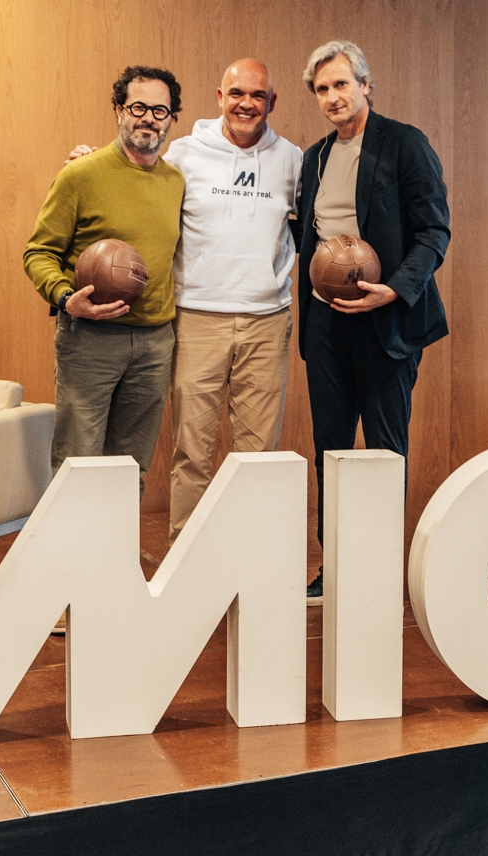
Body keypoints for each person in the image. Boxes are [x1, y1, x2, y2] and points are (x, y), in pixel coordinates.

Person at [69, 60, 302, 542]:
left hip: (266, 320)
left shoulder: (292, 160)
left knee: (258, 455)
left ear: (272, 102)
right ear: (219, 96)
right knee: (192, 452)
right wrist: (91, 161)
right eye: (236, 93)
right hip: (197, 319)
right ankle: (186, 560)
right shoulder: (184, 154)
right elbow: (137, 171)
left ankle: (249, 559)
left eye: (257, 96)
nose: (246, 104)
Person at [297, 40, 450, 603]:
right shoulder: (314, 157)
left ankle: (381, 572)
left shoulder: (405, 143)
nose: (332, 97)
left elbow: (435, 231)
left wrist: (395, 289)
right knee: (330, 446)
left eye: (342, 84)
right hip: (326, 323)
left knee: (385, 449)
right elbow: (306, 232)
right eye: (322, 89)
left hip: (387, 321)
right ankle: (333, 568)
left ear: (365, 84)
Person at [23, 66, 185, 496]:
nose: (148, 118)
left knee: (131, 468)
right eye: (137, 107)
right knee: (77, 461)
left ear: (171, 118)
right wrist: (66, 298)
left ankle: (116, 542)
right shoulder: (81, 174)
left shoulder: (175, 182)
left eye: (159, 110)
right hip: (90, 340)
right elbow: (38, 252)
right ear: (118, 110)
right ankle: (71, 544)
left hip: (154, 342)